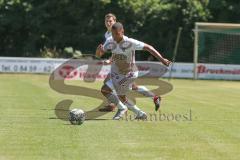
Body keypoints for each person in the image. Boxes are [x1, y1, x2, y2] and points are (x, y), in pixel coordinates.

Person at [96, 22, 171, 120]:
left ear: (122, 32)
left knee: (120, 95)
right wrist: (99, 52)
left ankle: (127, 109)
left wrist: (162, 59)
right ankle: (143, 108)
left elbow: (149, 47)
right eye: (113, 34)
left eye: (117, 34)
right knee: (107, 90)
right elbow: (100, 54)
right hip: (117, 73)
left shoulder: (130, 42)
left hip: (129, 74)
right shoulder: (110, 40)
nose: (115, 37)